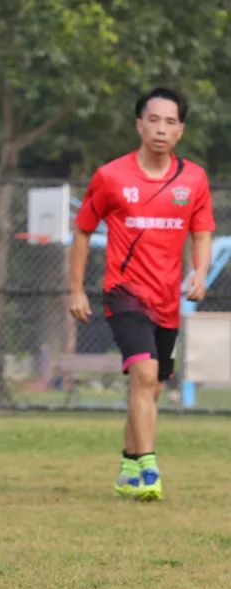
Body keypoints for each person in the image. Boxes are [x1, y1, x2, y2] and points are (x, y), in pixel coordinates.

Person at [69, 87, 215, 501]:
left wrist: (200, 272)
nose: (161, 129)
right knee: (145, 375)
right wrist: (76, 288)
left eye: (170, 122)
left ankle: (128, 465)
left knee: (148, 387)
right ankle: (149, 468)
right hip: (123, 293)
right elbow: (82, 230)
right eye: (154, 119)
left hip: (168, 300)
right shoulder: (111, 176)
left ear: (181, 130)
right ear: (139, 124)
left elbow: (202, 231)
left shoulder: (194, 179)